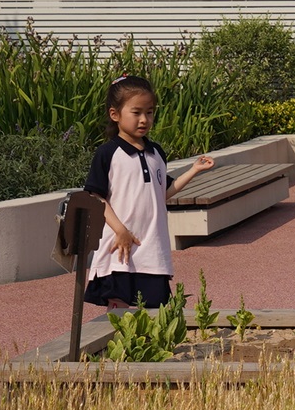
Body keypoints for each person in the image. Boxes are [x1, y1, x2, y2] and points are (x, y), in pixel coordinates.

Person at [83, 75, 214, 310]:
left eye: (150, 112)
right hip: (120, 248)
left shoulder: (156, 153)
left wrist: (194, 170)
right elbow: (95, 196)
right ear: (115, 114)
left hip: (153, 248)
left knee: (155, 309)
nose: (144, 120)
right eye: (137, 112)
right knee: (120, 307)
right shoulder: (108, 153)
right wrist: (120, 230)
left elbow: (162, 192)